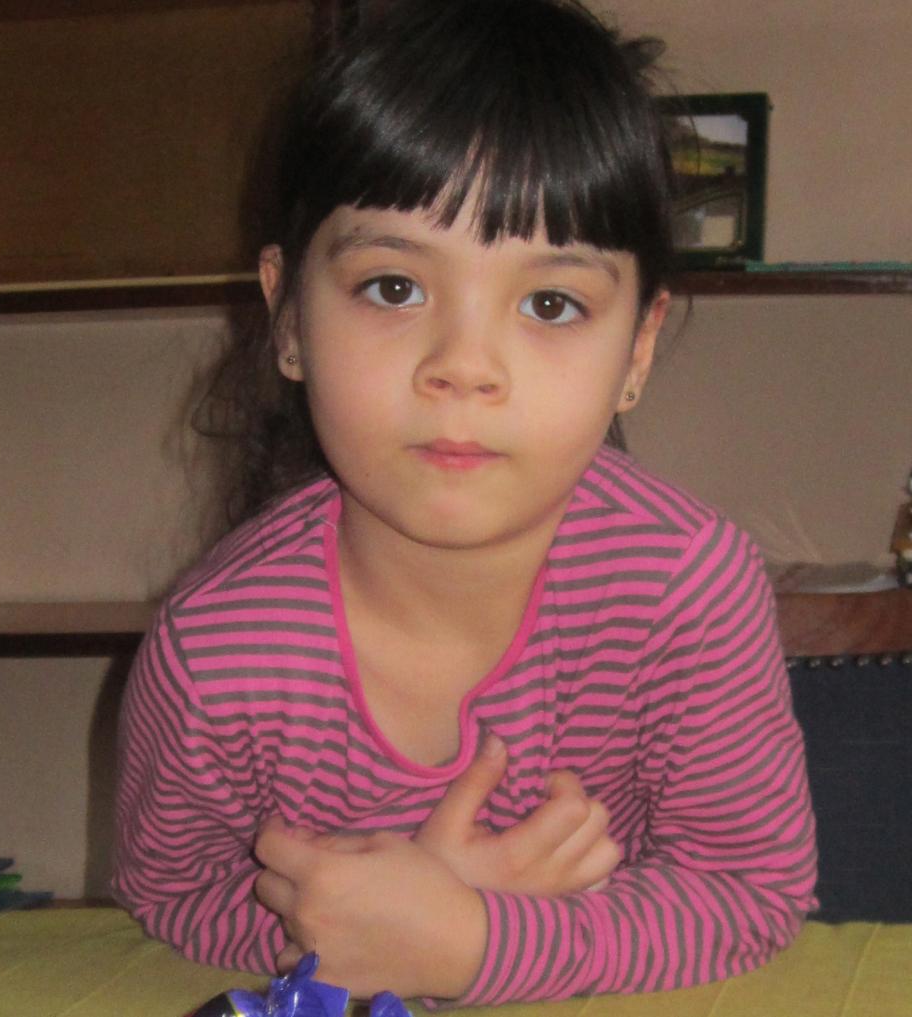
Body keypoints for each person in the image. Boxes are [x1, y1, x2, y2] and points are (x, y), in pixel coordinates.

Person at [111, 0, 817, 1004]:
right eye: (393, 288)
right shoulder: (216, 649)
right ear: (289, 317)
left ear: (638, 350)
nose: (465, 367)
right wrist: (386, 913)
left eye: (551, 303)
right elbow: (170, 898)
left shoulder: (687, 588)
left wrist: (472, 937)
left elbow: (749, 893)